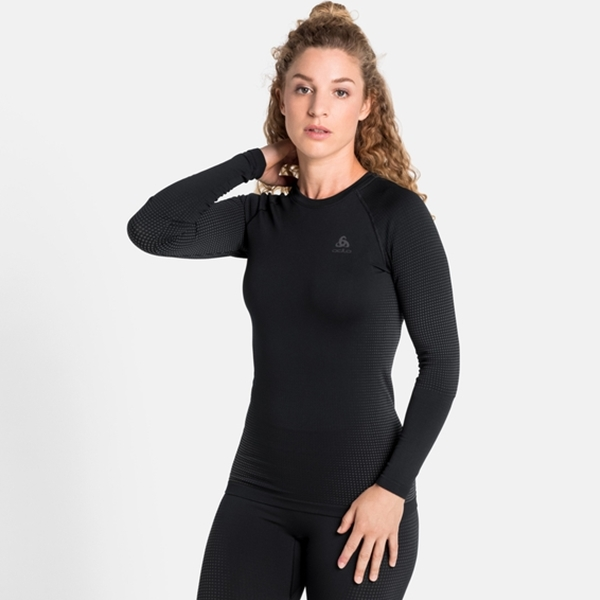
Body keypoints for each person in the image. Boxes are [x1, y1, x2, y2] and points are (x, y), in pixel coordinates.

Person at [127, 2, 460, 598]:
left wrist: (393, 490)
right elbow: (152, 230)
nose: (318, 107)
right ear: (282, 100)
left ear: (366, 105)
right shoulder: (261, 218)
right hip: (258, 496)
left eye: (339, 91)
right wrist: (257, 160)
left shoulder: (394, 215)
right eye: (303, 88)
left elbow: (442, 365)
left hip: (362, 503)